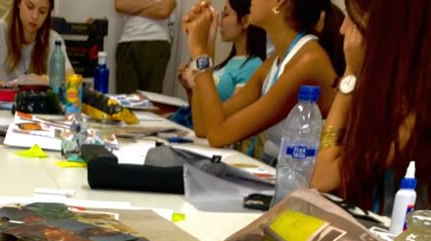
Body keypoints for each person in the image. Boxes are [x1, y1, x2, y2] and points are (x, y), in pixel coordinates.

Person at [313, 0, 431, 212]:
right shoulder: (401, 91)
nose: (342, 29)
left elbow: (322, 178)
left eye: (352, 20)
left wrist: (351, 74)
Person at [183, 0, 339, 162]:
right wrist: (206, 46)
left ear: (279, 3)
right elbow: (203, 127)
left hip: (296, 180)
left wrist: (200, 53)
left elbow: (218, 135)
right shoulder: (275, 61)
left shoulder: (308, 62)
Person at [173, 0, 267, 130]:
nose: (220, 23)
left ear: (245, 21)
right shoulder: (230, 62)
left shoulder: (252, 65)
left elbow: (226, 119)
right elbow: (199, 112)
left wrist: (196, 83)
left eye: (226, 15)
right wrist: (190, 89)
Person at [0, 0, 72, 87]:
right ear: (18, 4)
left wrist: (46, 80)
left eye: (42, 11)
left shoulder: (54, 39)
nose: (35, 16)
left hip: (39, 111)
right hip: (3, 108)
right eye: (30, 7)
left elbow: (70, 77)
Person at [115, 0, 177, 95]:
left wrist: (133, 8)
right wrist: (154, 4)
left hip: (156, 40)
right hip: (127, 40)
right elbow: (120, 5)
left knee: (151, 100)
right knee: (126, 100)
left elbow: (164, 11)